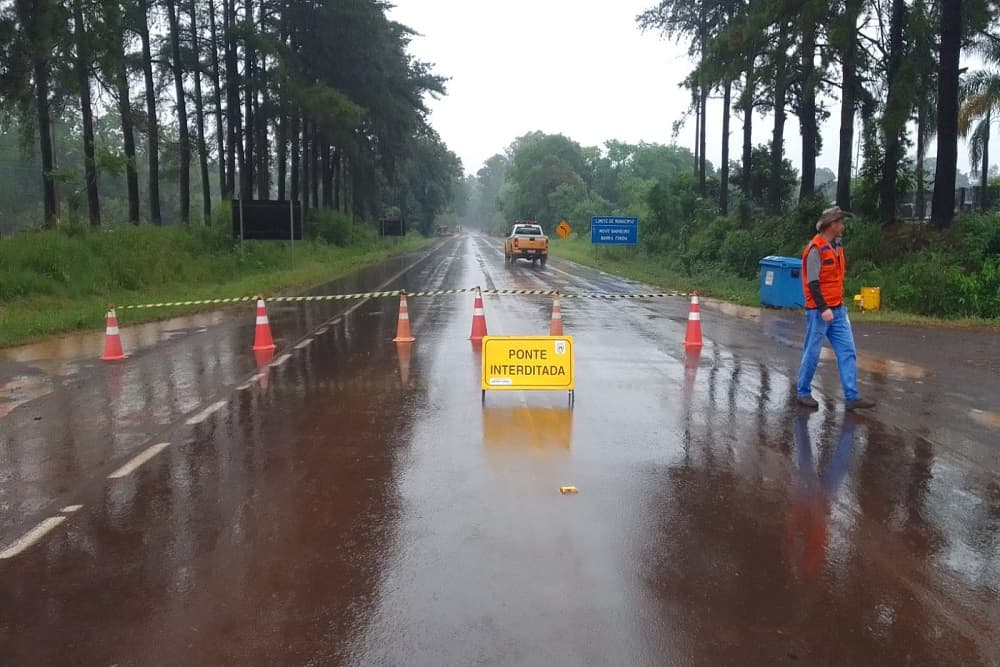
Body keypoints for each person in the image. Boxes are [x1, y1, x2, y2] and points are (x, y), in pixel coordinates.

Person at [796, 206, 875, 411]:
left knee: (847, 351)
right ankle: (803, 392)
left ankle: (851, 396)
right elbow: (813, 283)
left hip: (838, 310)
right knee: (812, 352)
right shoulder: (815, 249)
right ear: (831, 224)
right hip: (820, 311)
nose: (843, 225)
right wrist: (823, 308)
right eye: (840, 222)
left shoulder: (837, 246)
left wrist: (835, 307)